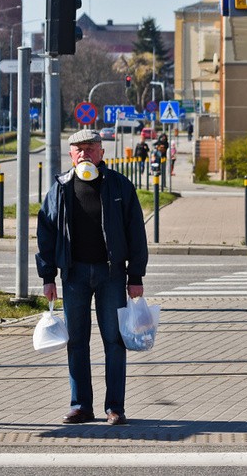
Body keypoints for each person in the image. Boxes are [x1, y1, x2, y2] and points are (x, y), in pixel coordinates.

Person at [36, 129, 148, 426]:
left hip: (111, 274)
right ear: (71, 155)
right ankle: (81, 405)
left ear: (101, 152)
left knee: (114, 340)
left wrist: (135, 275)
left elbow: (136, 232)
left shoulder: (119, 186)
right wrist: (48, 276)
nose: (84, 153)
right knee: (76, 341)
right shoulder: (59, 188)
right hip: (73, 275)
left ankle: (115, 408)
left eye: (90, 148)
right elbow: (45, 233)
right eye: (78, 149)